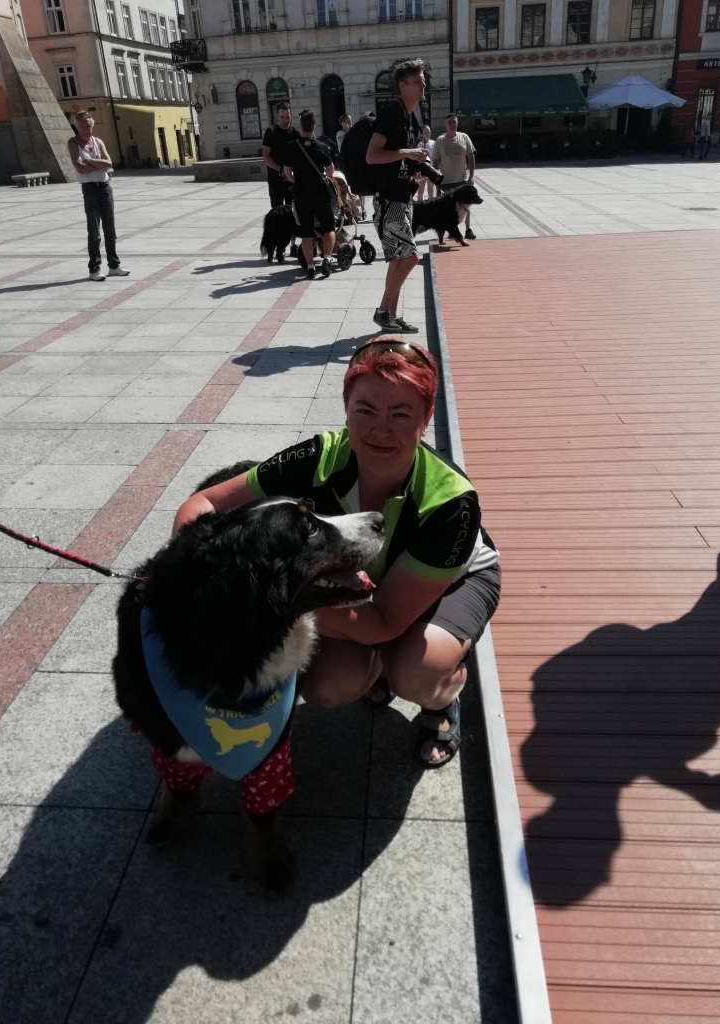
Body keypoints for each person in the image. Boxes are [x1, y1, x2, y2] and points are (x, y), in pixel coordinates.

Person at [173, 337, 501, 767]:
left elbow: (383, 620)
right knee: (328, 684)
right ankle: (375, 671)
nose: (380, 429)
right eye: (365, 410)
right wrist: (187, 566)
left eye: (400, 414)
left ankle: (442, 698)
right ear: (346, 410)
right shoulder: (318, 456)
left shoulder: (452, 503)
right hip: (360, 584)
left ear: (426, 420)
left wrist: (265, 603)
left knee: (417, 671)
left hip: (454, 582)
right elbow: (204, 504)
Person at [366, 58, 428, 334]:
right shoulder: (392, 112)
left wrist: (415, 169)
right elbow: (372, 155)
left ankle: (390, 316)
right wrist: (407, 153)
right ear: (402, 86)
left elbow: (399, 159)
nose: (423, 84)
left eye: (423, 80)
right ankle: (382, 312)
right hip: (389, 200)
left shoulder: (411, 116)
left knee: (398, 260)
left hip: (403, 197)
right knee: (411, 258)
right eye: (418, 81)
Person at [68, 111, 129, 283]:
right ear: (77, 127)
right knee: (94, 231)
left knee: (110, 230)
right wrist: (99, 164)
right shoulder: (73, 142)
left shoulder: (98, 141)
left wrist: (89, 161)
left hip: (105, 188)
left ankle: (114, 266)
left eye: (88, 126)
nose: (86, 129)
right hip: (90, 190)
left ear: (93, 125)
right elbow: (80, 168)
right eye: (82, 126)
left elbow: (108, 163)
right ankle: (94, 269)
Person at [283, 109, 337, 280]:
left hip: (302, 195)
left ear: (300, 127)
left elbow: (287, 173)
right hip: (320, 194)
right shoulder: (322, 147)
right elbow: (331, 171)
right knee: (329, 228)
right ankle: (327, 259)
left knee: (306, 233)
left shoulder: (291, 147)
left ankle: (311, 268)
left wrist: (296, 180)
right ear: (314, 126)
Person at [262, 101, 298, 258]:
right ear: (277, 116)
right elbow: (266, 156)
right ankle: (277, 248)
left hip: (291, 182)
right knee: (277, 215)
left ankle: (293, 245)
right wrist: (280, 169)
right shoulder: (271, 132)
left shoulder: (295, 133)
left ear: (291, 115)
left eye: (287, 117)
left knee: (293, 215)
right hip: (275, 181)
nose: (285, 120)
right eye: (282, 117)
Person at [433, 113, 477, 241]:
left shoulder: (464, 137)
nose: (452, 124)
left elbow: (471, 157)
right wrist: (436, 178)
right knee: (448, 209)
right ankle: (451, 230)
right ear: (445, 124)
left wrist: (471, 176)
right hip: (445, 181)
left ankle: (468, 230)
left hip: (461, 180)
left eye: (454, 122)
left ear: (457, 123)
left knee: (466, 206)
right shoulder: (440, 140)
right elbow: (435, 161)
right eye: (449, 122)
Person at [415, 125, 435, 202]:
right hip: (422, 170)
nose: (427, 134)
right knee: (420, 191)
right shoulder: (420, 144)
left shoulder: (433, 143)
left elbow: (435, 156)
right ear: (422, 133)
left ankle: (431, 206)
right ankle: (419, 205)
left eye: (428, 132)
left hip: (431, 169)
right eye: (425, 132)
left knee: (431, 191)